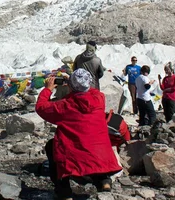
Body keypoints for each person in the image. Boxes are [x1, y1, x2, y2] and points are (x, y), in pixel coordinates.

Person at [36, 69, 122, 199]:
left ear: (71, 85)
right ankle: (103, 180)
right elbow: (88, 93)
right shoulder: (99, 98)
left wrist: (48, 89)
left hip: (76, 152)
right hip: (99, 153)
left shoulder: (65, 106)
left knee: (52, 146)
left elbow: (41, 107)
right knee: (92, 150)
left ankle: (63, 191)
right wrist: (74, 86)